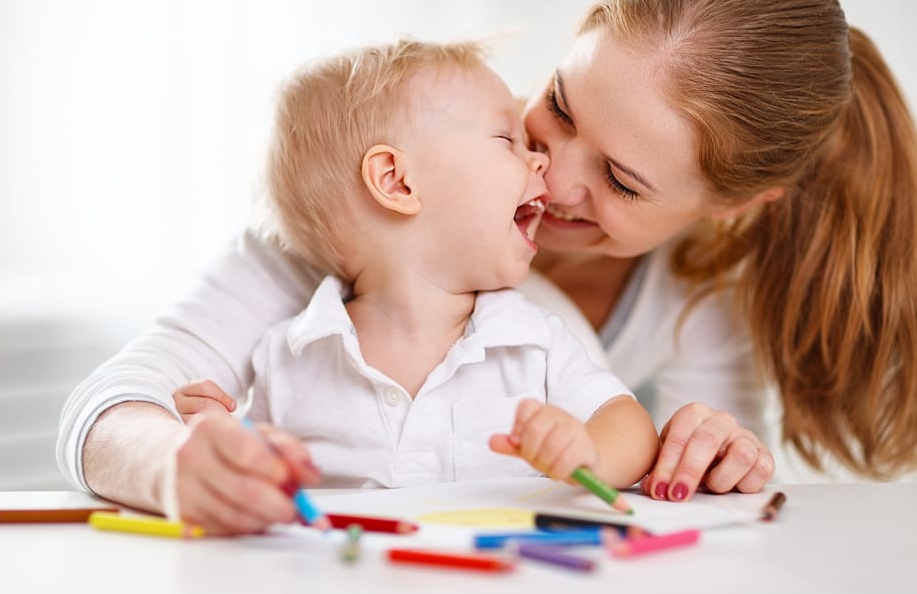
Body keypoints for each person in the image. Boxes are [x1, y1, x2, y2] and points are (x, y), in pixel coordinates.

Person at [58, 0, 917, 528]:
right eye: (559, 105)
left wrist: (711, 455)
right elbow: (105, 409)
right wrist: (178, 463)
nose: (553, 170)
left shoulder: (702, 296)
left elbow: (683, 511)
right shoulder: (362, 216)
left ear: (731, 206)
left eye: (620, 180)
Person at [194, 39, 656, 499]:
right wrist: (218, 442)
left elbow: (630, 426)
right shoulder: (289, 358)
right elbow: (261, 482)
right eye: (505, 140)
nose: (540, 160)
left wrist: (589, 453)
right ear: (396, 181)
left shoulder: (533, 340)